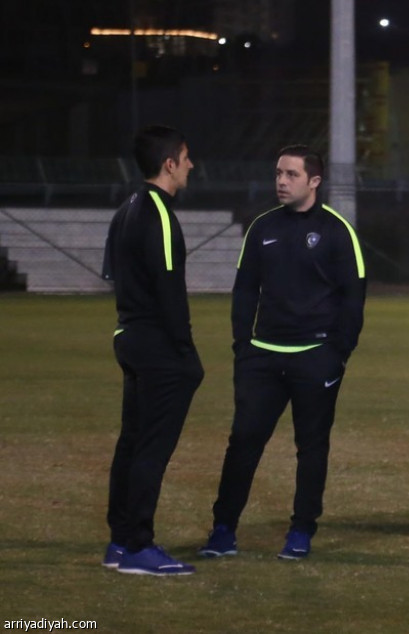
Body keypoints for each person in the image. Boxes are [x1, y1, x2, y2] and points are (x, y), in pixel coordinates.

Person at [199, 145, 366, 561]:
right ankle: (223, 530)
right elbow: (244, 290)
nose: (281, 181)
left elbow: (354, 297)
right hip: (262, 357)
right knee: (243, 442)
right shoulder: (262, 227)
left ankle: (301, 530)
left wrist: (337, 353)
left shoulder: (337, 231)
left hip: (316, 356)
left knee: (311, 447)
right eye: (278, 173)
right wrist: (243, 346)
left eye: (291, 174)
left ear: (314, 181)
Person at [101, 125, 205, 576]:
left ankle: (120, 542)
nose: (190, 165)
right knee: (150, 448)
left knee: (132, 443)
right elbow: (169, 289)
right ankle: (139, 546)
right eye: (185, 157)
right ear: (169, 163)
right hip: (157, 344)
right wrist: (185, 350)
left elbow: (112, 274)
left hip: (129, 336)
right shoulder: (159, 214)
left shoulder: (126, 208)